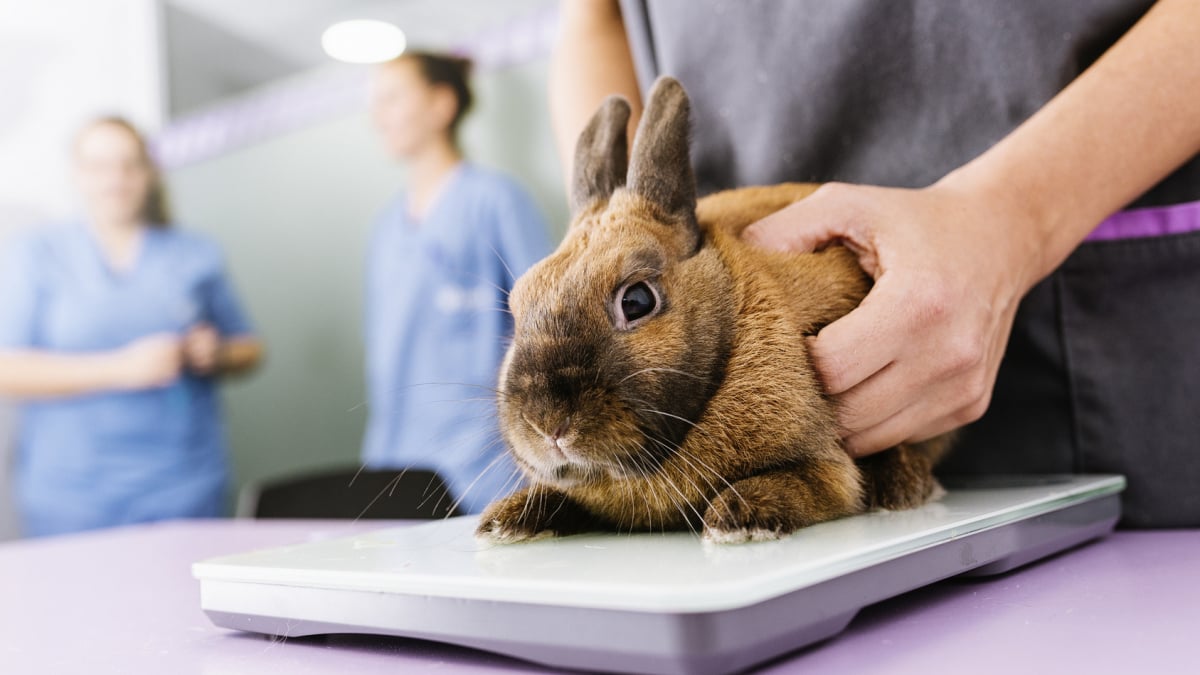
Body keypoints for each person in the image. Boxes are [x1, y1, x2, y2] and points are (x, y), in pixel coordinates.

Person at [551, 0, 1200, 527]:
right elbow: (590, 18)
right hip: (725, 451)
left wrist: (1016, 217)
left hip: (1094, 309)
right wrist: (610, 239)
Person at [0, 117, 263, 537]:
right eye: (99, 166)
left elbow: (250, 349)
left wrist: (215, 354)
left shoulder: (195, 254)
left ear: (150, 171)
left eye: (129, 165)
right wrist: (121, 369)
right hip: (72, 495)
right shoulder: (35, 254)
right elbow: (6, 369)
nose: (116, 180)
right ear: (77, 174)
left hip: (185, 485)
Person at [362, 52, 552, 514]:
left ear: (441, 105)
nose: (377, 116)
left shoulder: (495, 201)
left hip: (484, 470)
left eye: (392, 98)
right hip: (394, 462)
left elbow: (548, 323)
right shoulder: (387, 227)